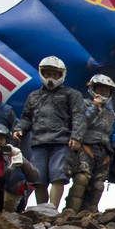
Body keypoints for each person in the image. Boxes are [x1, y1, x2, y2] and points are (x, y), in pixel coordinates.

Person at [13, 55, 85, 207]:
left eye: (55, 74)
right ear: (42, 73)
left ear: (62, 74)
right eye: (48, 73)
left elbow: (79, 116)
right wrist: (19, 129)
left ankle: (52, 209)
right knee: (38, 178)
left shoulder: (72, 94)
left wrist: (76, 137)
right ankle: (41, 210)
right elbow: (26, 118)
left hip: (62, 142)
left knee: (58, 176)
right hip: (38, 142)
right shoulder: (33, 96)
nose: (51, 77)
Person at [65, 73, 115, 213]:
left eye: (106, 91)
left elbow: (111, 133)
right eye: (101, 89)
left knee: (98, 185)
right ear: (93, 89)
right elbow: (80, 123)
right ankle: (71, 211)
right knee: (81, 179)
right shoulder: (84, 104)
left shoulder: (110, 114)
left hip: (104, 151)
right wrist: (94, 107)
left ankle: (90, 214)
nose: (103, 93)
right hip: (86, 146)